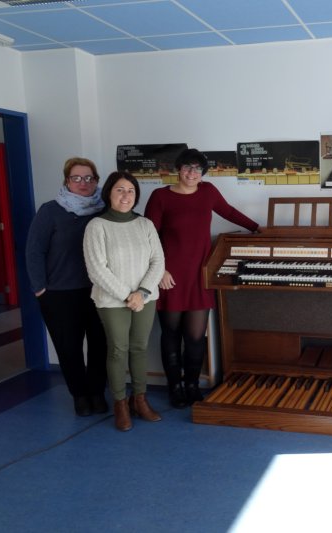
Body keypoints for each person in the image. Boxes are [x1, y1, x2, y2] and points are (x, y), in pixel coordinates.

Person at [144, 149, 261, 408]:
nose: (192, 173)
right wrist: (159, 271)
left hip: (199, 274)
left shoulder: (208, 191)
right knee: (171, 334)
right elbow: (148, 236)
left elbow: (229, 212)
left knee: (196, 336)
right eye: (187, 168)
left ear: (203, 173)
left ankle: (192, 385)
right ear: (178, 169)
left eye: (197, 169)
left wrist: (257, 228)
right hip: (169, 276)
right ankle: (175, 387)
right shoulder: (160, 196)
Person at [26, 157, 108, 417]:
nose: (83, 183)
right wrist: (40, 289)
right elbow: (34, 251)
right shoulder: (50, 210)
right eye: (77, 178)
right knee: (69, 347)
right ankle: (80, 396)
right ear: (66, 181)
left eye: (89, 178)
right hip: (59, 294)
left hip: (99, 292)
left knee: (100, 345)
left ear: (96, 181)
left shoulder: (105, 210)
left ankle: (96, 392)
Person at [84, 171, 165, 432]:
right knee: (118, 349)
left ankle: (139, 399)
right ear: (109, 192)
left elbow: (158, 262)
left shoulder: (145, 225)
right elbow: (97, 268)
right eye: (119, 190)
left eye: (130, 190)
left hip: (144, 297)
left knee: (139, 347)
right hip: (112, 300)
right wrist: (127, 296)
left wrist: (141, 293)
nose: (125, 195)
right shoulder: (97, 226)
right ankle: (120, 402)